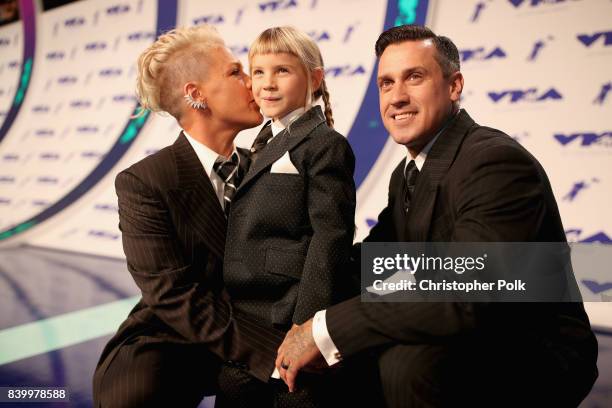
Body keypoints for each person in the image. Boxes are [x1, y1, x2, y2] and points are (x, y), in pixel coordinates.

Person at [275, 25, 599, 407]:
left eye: (414, 77)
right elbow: (375, 263)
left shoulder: (494, 161)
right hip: (462, 324)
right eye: (385, 83)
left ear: (454, 86)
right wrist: (288, 283)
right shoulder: (409, 172)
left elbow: (467, 288)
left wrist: (325, 330)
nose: (396, 97)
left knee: (404, 362)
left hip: (530, 346)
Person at [92, 25, 286, 407]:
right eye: (236, 72)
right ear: (196, 95)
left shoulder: (269, 167)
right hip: (173, 339)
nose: (253, 82)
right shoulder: (145, 182)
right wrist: (274, 354)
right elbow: (175, 296)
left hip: (259, 329)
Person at [216, 26, 365, 407]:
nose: (267, 83)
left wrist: (306, 326)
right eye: (259, 71)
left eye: (282, 70)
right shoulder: (257, 142)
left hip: (286, 314)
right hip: (245, 321)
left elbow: (330, 238)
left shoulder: (324, 144)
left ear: (314, 78)